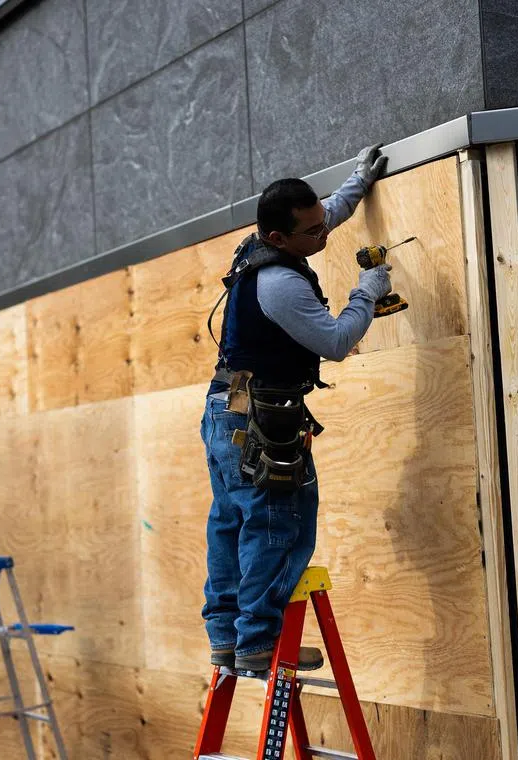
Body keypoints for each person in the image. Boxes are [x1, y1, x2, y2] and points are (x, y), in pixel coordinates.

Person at [200, 143, 394, 673]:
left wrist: (358, 181)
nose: (323, 235)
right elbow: (333, 342)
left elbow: (327, 213)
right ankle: (259, 644)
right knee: (276, 522)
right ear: (277, 238)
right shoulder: (280, 283)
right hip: (260, 419)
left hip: (227, 410)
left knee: (230, 520)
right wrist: (367, 293)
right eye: (311, 233)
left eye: (319, 224)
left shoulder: (261, 245)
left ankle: (227, 637)